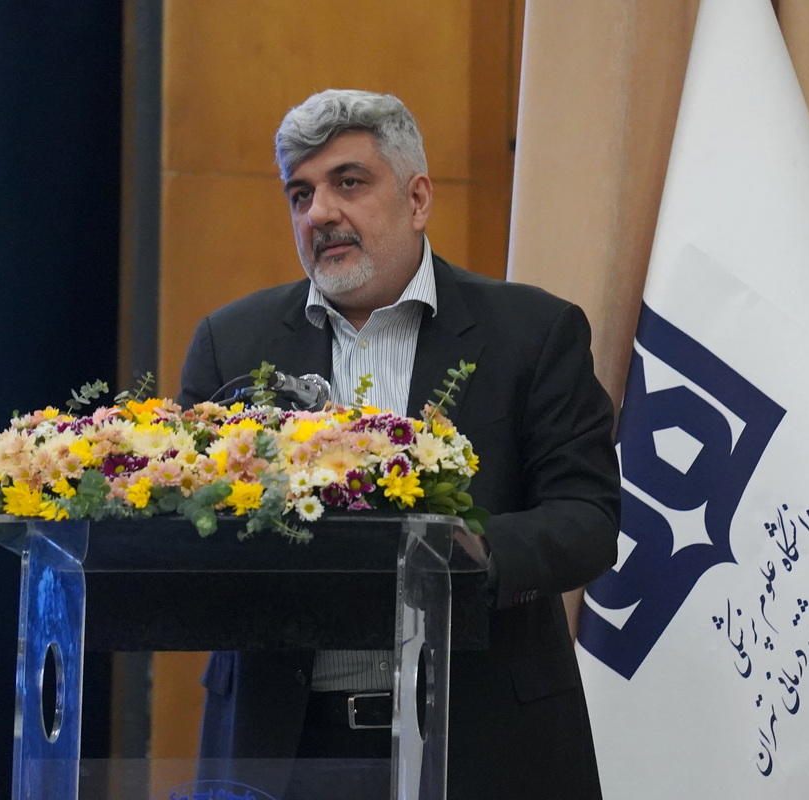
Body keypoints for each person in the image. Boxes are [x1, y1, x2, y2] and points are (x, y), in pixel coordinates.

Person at [176, 89, 621, 799]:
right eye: (300, 194)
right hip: (286, 750)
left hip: (483, 742)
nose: (319, 214)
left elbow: (588, 520)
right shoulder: (231, 344)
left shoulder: (533, 333)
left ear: (417, 200)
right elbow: (185, 531)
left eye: (348, 183)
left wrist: (467, 550)